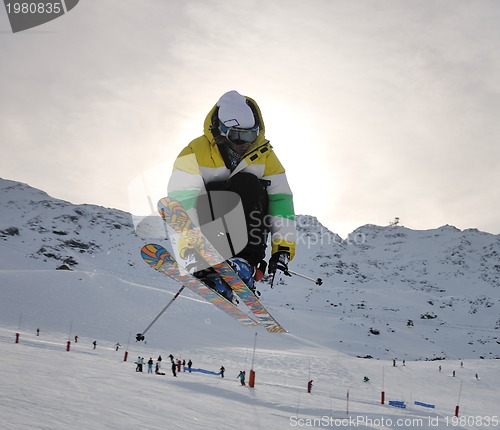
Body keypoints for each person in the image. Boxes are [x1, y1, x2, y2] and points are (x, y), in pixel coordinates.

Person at [167, 90, 296, 300]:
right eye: (238, 135)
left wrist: (282, 248)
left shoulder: (266, 156)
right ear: (223, 130)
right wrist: (190, 246)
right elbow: (182, 199)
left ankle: (243, 265)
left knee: (247, 182)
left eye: (251, 135)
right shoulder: (194, 151)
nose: (245, 142)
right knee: (215, 188)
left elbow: (281, 202)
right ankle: (211, 268)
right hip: (210, 231)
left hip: (250, 235)